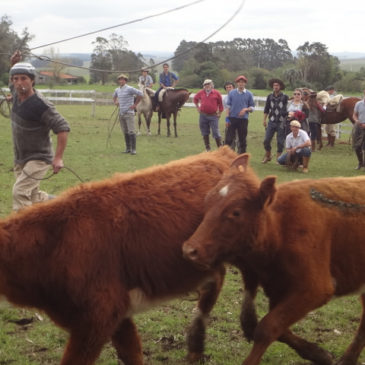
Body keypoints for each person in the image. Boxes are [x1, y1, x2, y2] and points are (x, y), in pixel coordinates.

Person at [8, 51, 70, 211]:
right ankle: (61, 206)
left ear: (32, 81)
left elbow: (62, 127)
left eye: (24, 78)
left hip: (38, 158)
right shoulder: (15, 94)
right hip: (21, 157)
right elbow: (14, 79)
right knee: (34, 197)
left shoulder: (41, 105)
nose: (19, 82)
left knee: (19, 192)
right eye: (15, 78)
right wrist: (14, 65)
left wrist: (58, 158)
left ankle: (22, 233)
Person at [113, 74, 143, 155]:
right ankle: (128, 148)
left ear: (125, 81)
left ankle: (133, 149)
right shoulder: (117, 90)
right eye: (120, 79)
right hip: (121, 113)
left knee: (131, 131)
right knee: (125, 131)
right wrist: (116, 102)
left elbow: (140, 94)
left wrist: (135, 104)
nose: (121, 81)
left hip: (129, 113)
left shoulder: (129, 89)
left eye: (123, 80)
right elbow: (114, 97)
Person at [225, 75, 255, 154]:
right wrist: (227, 119)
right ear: (237, 83)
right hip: (232, 118)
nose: (241, 84)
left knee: (242, 140)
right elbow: (228, 106)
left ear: (245, 83)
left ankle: (242, 156)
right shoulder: (232, 93)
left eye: (243, 82)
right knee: (228, 139)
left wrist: (246, 109)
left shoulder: (249, 94)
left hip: (243, 120)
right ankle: (225, 156)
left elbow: (252, 107)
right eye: (239, 82)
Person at [262, 78, 288, 163]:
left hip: (281, 122)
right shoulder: (269, 96)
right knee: (266, 140)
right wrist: (264, 119)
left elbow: (288, 108)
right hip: (272, 121)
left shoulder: (285, 97)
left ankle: (279, 158)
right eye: (274, 85)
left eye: (277, 85)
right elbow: (266, 109)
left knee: (280, 141)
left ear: (280, 87)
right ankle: (268, 155)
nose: (275, 87)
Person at [193, 79, 223, 151]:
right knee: (204, 131)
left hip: (213, 115)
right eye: (205, 84)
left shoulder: (216, 93)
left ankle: (220, 148)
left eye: (208, 84)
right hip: (203, 115)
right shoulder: (201, 92)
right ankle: (208, 148)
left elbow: (221, 104)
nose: (207, 86)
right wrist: (197, 107)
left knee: (215, 132)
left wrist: (220, 113)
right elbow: (195, 99)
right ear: (203, 86)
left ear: (212, 85)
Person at [223, 81, 239, 150]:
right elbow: (226, 110)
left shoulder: (239, 96)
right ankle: (231, 153)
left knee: (239, 138)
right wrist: (227, 120)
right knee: (229, 138)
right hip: (230, 120)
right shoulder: (225, 99)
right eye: (227, 87)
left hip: (239, 120)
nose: (229, 89)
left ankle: (240, 154)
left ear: (234, 88)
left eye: (230, 87)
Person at [352, 89, 365, 170]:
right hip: (359, 126)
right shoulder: (358, 104)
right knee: (357, 146)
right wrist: (357, 121)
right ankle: (360, 163)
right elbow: (354, 115)